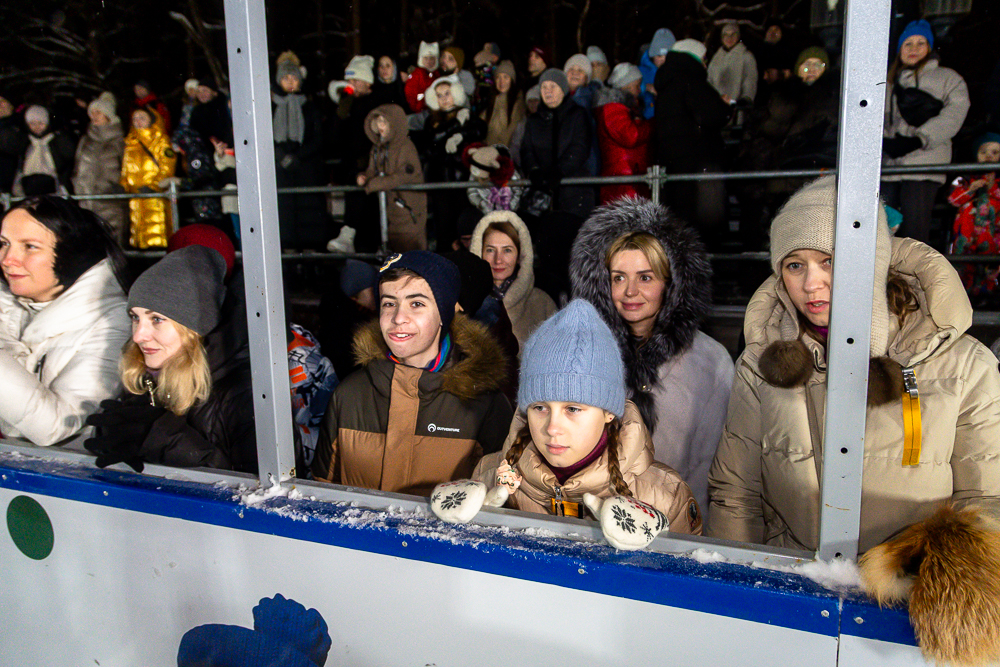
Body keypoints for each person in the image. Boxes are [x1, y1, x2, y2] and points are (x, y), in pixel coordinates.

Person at [708, 176, 1000, 553]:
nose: (812, 283)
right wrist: (741, 586)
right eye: (796, 265)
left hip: (910, 593)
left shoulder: (964, 364)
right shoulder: (761, 362)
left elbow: (985, 502)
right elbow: (736, 494)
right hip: (796, 584)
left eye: (830, 261)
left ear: (872, 263)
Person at [464, 299, 703, 542]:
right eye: (540, 407)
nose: (553, 428)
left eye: (573, 409)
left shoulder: (666, 497)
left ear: (609, 412)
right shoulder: (489, 475)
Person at [570, 197, 733, 516]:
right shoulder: (582, 355)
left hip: (674, 532)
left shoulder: (711, 362)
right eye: (618, 278)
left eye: (645, 277)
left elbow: (710, 473)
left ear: (670, 284)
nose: (630, 291)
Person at [312, 251, 513, 494]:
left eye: (416, 304)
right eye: (389, 303)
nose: (398, 318)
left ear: (444, 313)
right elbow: (322, 492)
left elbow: (501, 503)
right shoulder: (349, 395)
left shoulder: (485, 406)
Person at [84, 245, 257, 473]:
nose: (138, 336)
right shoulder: (143, 378)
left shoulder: (242, 395)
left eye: (156, 319)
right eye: (135, 318)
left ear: (193, 328)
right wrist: (114, 432)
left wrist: (162, 438)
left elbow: (259, 494)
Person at [0, 196, 130, 447]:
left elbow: (58, 426)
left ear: (71, 251)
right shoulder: (9, 300)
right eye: (4, 243)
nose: (8, 259)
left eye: (30, 246)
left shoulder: (113, 321)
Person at [882, 20, 970, 247]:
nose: (913, 48)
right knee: (880, 232)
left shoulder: (948, 78)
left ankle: (914, 282)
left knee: (915, 233)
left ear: (929, 47)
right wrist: (882, 141)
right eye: (908, 43)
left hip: (924, 162)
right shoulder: (887, 81)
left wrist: (920, 138)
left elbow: (955, 112)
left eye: (921, 43)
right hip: (889, 166)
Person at [654, 39, 732, 239]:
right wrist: (723, 105)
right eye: (704, 58)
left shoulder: (667, 83)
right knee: (703, 230)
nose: (705, 64)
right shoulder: (692, 81)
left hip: (675, 166)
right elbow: (712, 115)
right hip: (699, 166)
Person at [469, 211, 556, 351]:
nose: (498, 260)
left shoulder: (542, 303)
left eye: (507, 250)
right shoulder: (463, 304)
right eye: (490, 250)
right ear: (479, 252)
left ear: (521, 255)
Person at [417, 75, 485, 250]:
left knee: (464, 229)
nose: (444, 98)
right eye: (439, 95)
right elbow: (432, 142)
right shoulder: (431, 121)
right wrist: (456, 126)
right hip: (441, 184)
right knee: (444, 231)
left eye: (447, 93)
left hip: (462, 181)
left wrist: (462, 135)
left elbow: (480, 129)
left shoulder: (467, 114)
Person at [273, 51, 327, 250]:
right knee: (284, 210)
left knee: (308, 209)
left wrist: (298, 156)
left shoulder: (309, 106)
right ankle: (287, 250)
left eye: (293, 77)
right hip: (280, 166)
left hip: (305, 165)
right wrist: (280, 155)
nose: (290, 82)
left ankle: (310, 251)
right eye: (286, 78)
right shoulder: (271, 106)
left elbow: (317, 137)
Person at [357, 104, 427, 252]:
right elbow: (373, 169)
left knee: (411, 248)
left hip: (409, 207)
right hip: (390, 208)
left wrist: (374, 184)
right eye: (378, 122)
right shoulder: (378, 148)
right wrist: (364, 177)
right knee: (394, 249)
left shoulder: (406, 147)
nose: (380, 126)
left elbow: (403, 176)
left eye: (384, 122)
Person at [947, 132, 1000, 305]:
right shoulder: (964, 177)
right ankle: (963, 299)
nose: (989, 157)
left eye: (995, 152)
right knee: (963, 265)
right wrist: (970, 189)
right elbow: (953, 200)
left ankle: (987, 297)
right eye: (983, 152)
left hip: (992, 233)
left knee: (990, 266)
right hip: (966, 233)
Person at [594, 63, 652, 204]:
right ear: (626, 85)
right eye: (636, 85)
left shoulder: (624, 108)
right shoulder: (612, 108)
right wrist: (652, 124)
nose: (639, 90)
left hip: (629, 181)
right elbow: (631, 136)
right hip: (623, 184)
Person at [72, 92, 126, 241]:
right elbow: (77, 166)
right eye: (92, 112)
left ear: (108, 115)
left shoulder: (120, 141)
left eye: (99, 112)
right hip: (85, 200)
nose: (94, 116)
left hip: (110, 202)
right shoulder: (86, 140)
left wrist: (115, 187)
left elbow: (126, 169)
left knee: (111, 242)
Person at [120, 108, 176, 248]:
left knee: (156, 233)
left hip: (155, 195)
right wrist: (125, 186)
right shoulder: (130, 142)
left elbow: (167, 166)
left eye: (142, 117)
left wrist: (154, 186)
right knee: (139, 234)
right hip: (136, 197)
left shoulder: (161, 140)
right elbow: (125, 169)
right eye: (135, 118)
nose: (138, 121)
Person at [13, 105, 76, 196]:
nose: (37, 127)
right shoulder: (25, 142)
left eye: (41, 123)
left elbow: (67, 162)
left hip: (54, 188)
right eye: (32, 124)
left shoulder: (58, 141)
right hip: (29, 187)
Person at [707, 22, 758, 113]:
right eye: (726, 35)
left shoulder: (746, 57)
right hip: (715, 108)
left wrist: (744, 101)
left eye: (732, 35)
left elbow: (750, 81)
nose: (729, 38)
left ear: (738, 37)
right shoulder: (716, 58)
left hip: (735, 109)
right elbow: (709, 79)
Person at [464, 143, 522, 214]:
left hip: (508, 212)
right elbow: (471, 191)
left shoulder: (511, 174)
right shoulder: (476, 170)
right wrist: (482, 204)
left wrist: (510, 208)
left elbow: (518, 191)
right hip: (482, 211)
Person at [481, 60, 525, 148]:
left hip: (504, 154)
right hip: (487, 151)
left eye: (505, 77)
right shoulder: (493, 100)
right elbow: (481, 124)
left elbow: (510, 132)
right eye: (498, 77)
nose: (502, 81)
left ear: (511, 80)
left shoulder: (517, 103)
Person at [640, 28, 676, 119]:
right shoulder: (641, 71)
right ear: (652, 56)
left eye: (667, 56)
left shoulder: (677, 72)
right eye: (659, 56)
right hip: (646, 120)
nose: (663, 60)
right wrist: (646, 87)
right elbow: (626, 89)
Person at [404, 41, 441, 113]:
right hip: (420, 112)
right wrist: (419, 107)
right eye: (426, 58)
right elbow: (410, 95)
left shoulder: (437, 75)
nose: (428, 61)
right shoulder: (416, 75)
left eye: (431, 58)